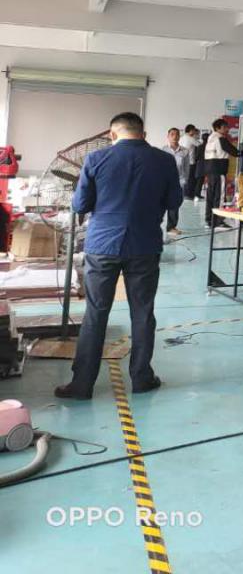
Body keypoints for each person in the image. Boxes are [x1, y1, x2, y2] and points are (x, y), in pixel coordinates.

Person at [55, 112, 183, 399]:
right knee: (142, 312)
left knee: (96, 314)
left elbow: (80, 204)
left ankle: (82, 385)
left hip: (102, 246)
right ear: (144, 134)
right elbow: (174, 201)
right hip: (145, 245)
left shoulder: (96, 159)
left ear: (112, 134)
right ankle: (141, 378)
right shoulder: (164, 161)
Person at [202, 118, 239, 229]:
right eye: (225, 127)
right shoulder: (221, 138)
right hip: (219, 171)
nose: (227, 129)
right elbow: (234, 152)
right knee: (219, 196)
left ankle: (209, 220)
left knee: (210, 196)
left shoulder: (210, 138)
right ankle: (218, 222)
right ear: (218, 128)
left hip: (209, 171)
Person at [158, 127, 189, 238]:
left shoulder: (185, 151)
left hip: (178, 181)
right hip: (165, 181)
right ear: (168, 136)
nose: (174, 136)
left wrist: (185, 180)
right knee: (160, 204)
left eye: (176, 134)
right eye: (172, 134)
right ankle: (156, 225)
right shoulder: (163, 150)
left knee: (174, 205)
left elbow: (186, 167)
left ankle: (171, 227)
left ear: (179, 136)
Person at [179, 124, 202, 202]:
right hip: (190, 162)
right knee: (191, 179)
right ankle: (189, 194)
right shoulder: (190, 138)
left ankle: (184, 194)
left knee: (184, 178)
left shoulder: (181, 138)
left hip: (182, 161)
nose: (194, 132)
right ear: (191, 130)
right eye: (194, 130)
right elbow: (200, 145)